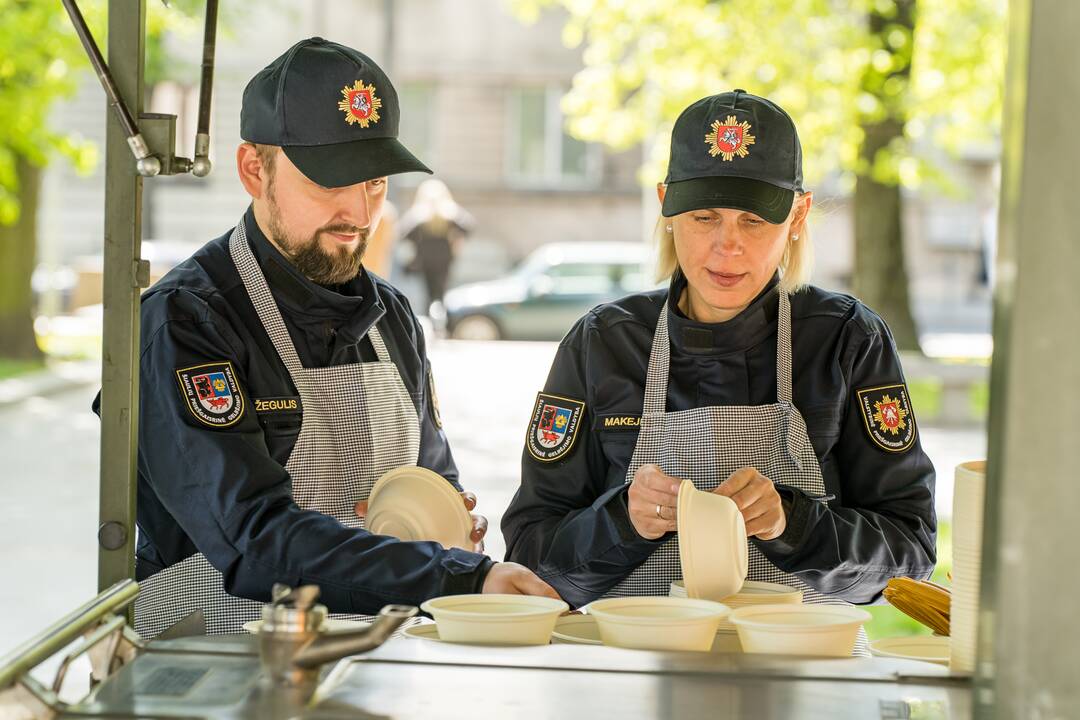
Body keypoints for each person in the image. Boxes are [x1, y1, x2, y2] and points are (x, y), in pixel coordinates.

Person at [94, 37, 555, 637]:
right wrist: (454, 575)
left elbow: (435, 478)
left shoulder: (392, 316)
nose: (359, 214)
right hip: (210, 663)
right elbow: (252, 538)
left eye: (374, 183)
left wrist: (443, 521)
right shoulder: (186, 322)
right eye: (330, 181)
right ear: (254, 170)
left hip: (371, 657)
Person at [501, 90, 936, 653]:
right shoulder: (603, 343)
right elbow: (529, 558)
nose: (726, 247)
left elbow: (911, 557)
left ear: (797, 216)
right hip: (633, 678)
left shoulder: (847, 339)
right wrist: (620, 522)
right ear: (666, 205)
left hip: (805, 681)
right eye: (704, 217)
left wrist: (795, 524)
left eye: (754, 221)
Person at [399, 178, 474, 318]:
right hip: (445, 259)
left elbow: (403, 233)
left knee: (428, 293)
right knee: (441, 292)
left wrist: (417, 243)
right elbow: (468, 227)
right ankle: (440, 323)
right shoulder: (450, 213)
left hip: (425, 260)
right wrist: (455, 239)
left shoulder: (419, 214)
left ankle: (431, 320)